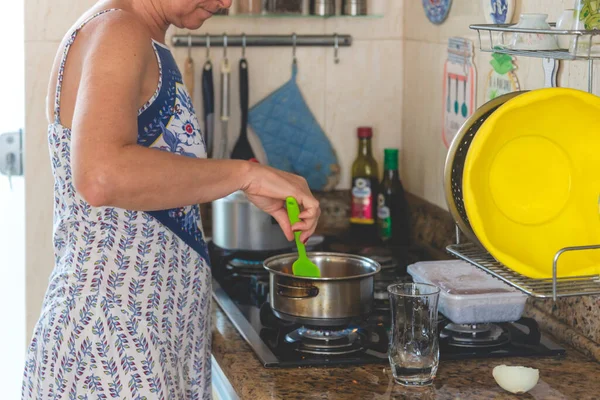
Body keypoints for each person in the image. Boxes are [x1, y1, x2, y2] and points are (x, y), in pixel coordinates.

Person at [21, 0, 320, 398]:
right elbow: (100, 175)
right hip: (112, 349)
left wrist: (239, 185)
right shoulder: (119, 30)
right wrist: (246, 174)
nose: (226, 2)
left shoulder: (137, 35)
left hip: (139, 340)